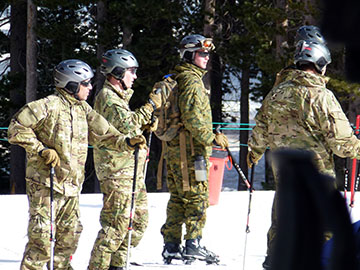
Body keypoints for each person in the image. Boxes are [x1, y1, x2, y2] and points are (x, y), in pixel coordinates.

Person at [8, 59, 146, 270]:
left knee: (69, 238)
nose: (90, 88)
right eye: (86, 83)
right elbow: (16, 128)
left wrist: (126, 142)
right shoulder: (47, 105)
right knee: (42, 240)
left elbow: (105, 133)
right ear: (71, 85)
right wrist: (41, 150)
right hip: (47, 184)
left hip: (71, 186)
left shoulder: (84, 109)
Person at [247, 39, 360, 269]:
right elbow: (341, 143)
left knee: (282, 231)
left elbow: (258, 136)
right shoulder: (321, 96)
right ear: (319, 63)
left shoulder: (275, 94)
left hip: (285, 184)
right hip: (317, 184)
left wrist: (254, 154)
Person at [87, 49, 161, 270]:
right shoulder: (108, 98)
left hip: (131, 170)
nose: (135, 77)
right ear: (118, 72)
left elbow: (127, 127)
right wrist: (151, 106)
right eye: (131, 71)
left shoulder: (118, 97)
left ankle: (116, 265)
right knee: (115, 226)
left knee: (137, 222)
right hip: (116, 171)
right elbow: (127, 125)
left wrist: (144, 126)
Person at [160, 34, 229, 264]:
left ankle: (171, 245)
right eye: (202, 53)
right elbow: (193, 120)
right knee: (197, 197)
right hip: (191, 153)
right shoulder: (191, 81)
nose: (207, 58)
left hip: (176, 150)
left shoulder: (180, 77)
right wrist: (212, 138)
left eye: (208, 53)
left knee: (179, 197)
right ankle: (193, 244)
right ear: (190, 55)